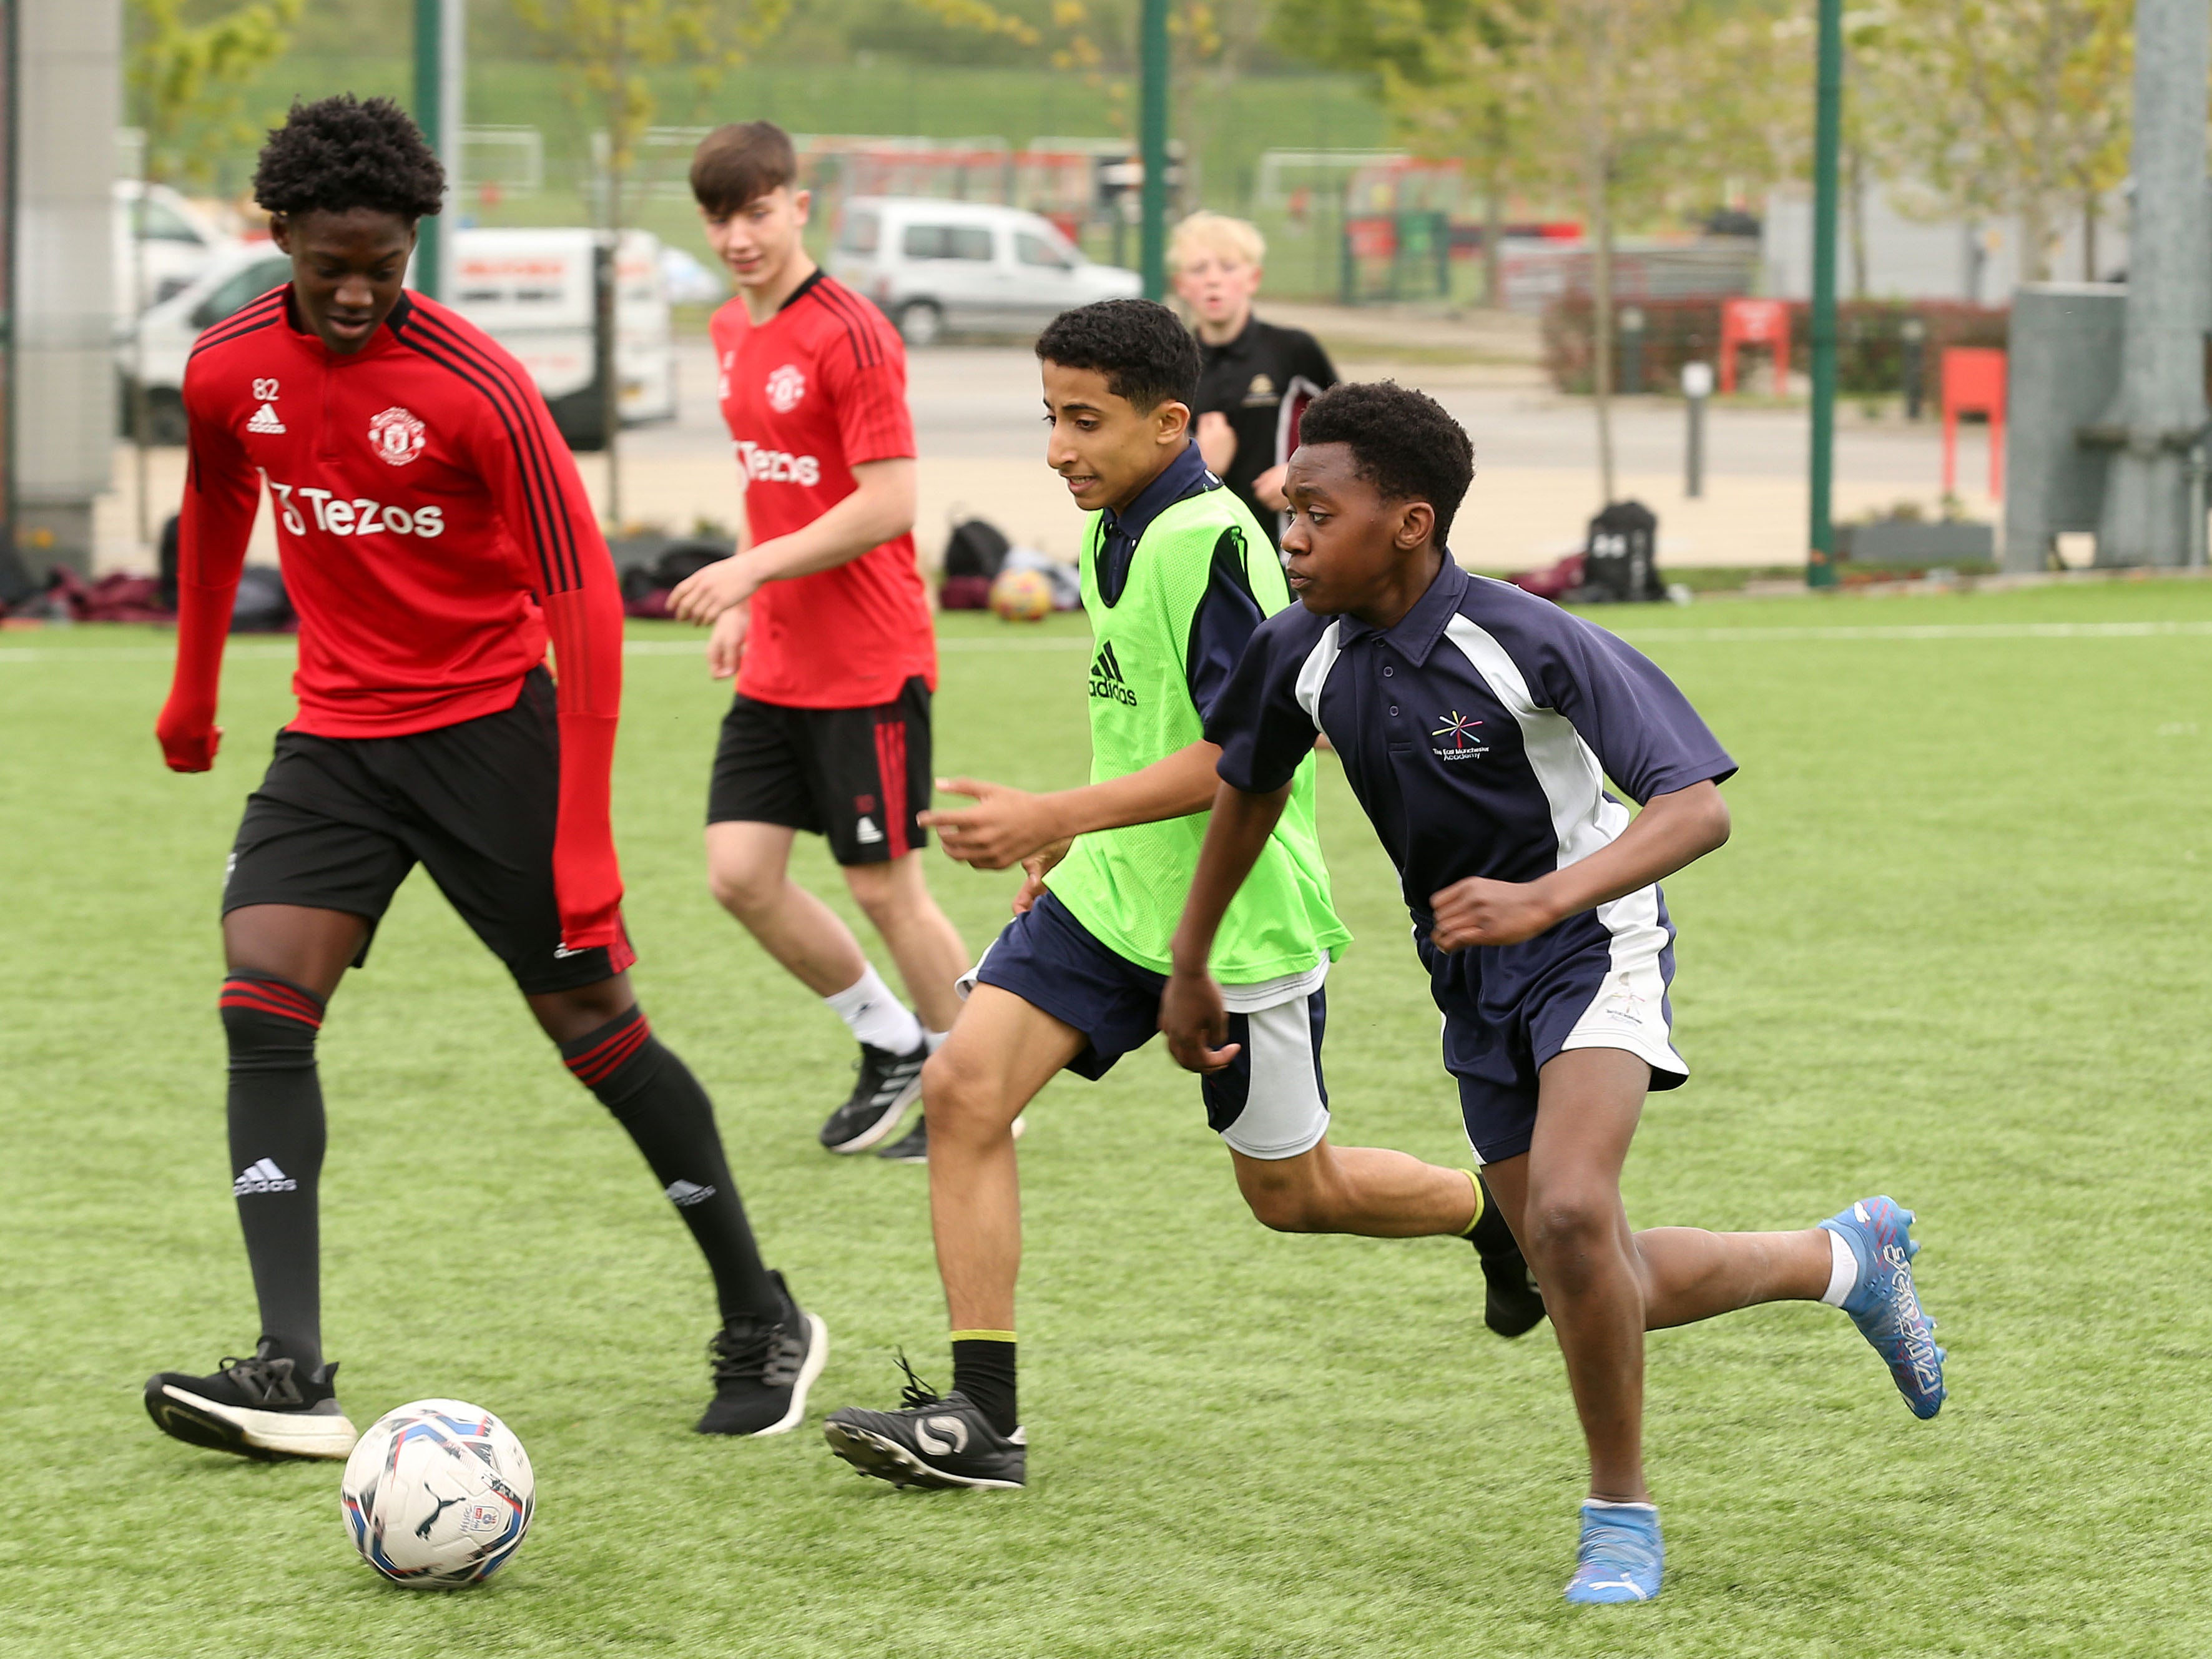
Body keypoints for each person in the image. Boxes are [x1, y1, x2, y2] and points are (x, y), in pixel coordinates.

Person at [1161, 380, 1946, 1605]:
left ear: (1408, 523)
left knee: (1574, 1219)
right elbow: (1248, 788)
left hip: (1594, 944)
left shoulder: (1527, 637)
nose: (1291, 537)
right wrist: (1192, 956)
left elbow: (1695, 806)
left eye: (1317, 512)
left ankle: (1619, 1514)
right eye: (1286, 512)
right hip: (1469, 975)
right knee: (1582, 1265)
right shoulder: (1293, 647)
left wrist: (1543, 897)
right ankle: (1840, 1255)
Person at [142, 96, 825, 1460]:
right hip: (334, 736)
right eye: (326, 264)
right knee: (261, 998)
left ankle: (760, 1311)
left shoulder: (479, 386)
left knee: (592, 1024)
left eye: (382, 265)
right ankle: (291, 1367)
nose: (352, 292)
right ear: (276, 235)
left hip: (488, 729)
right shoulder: (225, 368)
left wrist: (584, 834)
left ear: (416, 244)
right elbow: (219, 503)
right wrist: (194, 683)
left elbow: (581, 607)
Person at [817, 301, 1543, 1494]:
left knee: (1291, 1194)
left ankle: (1487, 1215)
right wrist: (1076, 843)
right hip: (1112, 891)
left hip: (1236, 912)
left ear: (1171, 425)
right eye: (1049, 417)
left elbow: (1249, 754)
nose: (1057, 447)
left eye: (1083, 420)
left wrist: (1053, 815)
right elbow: (1140, 720)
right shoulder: (1113, 524)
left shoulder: (1212, 542)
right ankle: (980, 1418)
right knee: (960, 1089)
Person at [668, 122, 966, 1166]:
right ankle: (888, 1040)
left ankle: (973, 1079)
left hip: (868, 658)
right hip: (781, 656)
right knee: (738, 873)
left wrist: (746, 571)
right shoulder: (725, 332)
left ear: (799, 205)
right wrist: (751, 601)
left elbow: (889, 504)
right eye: (718, 216)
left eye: (756, 210)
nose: (738, 235)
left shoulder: (850, 332)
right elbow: (775, 487)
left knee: (886, 886)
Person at [1174, 212, 1337, 549]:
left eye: (1228, 267)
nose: (1213, 280)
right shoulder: (1171, 363)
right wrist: (1202, 468)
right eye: (1199, 269)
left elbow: (1352, 436)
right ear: (1181, 285)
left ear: (1253, 278)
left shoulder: (1293, 351)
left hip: (1288, 552)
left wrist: (1301, 479)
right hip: (1203, 552)